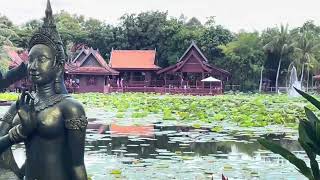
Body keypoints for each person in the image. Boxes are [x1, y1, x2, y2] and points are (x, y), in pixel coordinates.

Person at [0, 1, 88, 179]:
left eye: (42, 59)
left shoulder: (70, 108)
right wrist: (18, 134)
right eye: (30, 60)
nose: (32, 66)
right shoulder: (22, 104)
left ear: (57, 65)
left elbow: (77, 165)